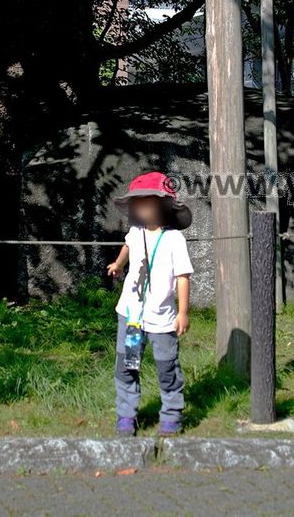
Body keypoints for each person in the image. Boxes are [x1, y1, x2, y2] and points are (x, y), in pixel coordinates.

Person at [106, 171, 194, 437]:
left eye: (148, 200)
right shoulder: (135, 232)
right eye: (137, 201)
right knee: (127, 365)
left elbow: (182, 277)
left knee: (166, 366)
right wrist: (119, 264)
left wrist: (182, 312)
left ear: (163, 205)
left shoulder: (174, 240)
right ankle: (126, 414)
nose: (141, 206)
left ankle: (171, 413)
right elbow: (128, 247)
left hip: (162, 319)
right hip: (133, 316)